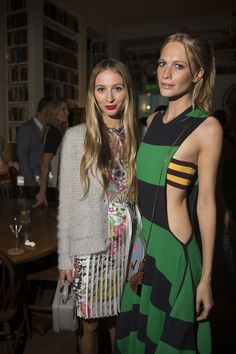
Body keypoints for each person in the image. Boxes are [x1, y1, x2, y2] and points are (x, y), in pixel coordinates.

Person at [114, 31, 223, 354]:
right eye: (162, 64)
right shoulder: (152, 120)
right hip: (141, 248)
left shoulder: (207, 128)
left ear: (198, 73)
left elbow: (206, 204)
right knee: (138, 335)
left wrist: (206, 279)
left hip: (173, 251)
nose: (165, 73)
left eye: (178, 66)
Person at [57, 58, 139, 354]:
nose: (109, 97)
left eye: (117, 88)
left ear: (127, 91)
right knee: (90, 322)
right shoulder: (76, 137)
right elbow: (66, 202)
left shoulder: (137, 137)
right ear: (92, 94)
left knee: (121, 317)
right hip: (89, 242)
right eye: (101, 89)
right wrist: (65, 256)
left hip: (127, 243)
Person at [33, 97, 69, 207]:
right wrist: (42, 191)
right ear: (54, 112)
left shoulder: (53, 130)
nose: (67, 112)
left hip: (55, 185)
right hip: (55, 187)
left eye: (67, 109)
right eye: (63, 109)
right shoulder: (54, 132)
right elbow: (45, 162)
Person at [16, 96, 51, 197]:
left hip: (43, 181)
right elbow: (22, 155)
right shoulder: (26, 128)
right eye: (52, 112)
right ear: (45, 110)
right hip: (30, 184)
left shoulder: (48, 129)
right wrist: (30, 181)